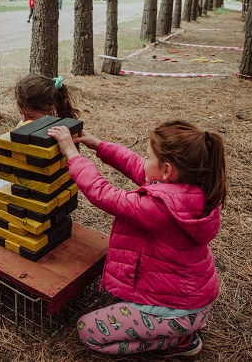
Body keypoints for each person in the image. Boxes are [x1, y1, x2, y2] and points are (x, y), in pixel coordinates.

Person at [47, 120, 226, 358]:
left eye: (148, 156)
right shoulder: (190, 190)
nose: (143, 159)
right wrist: (98, 145)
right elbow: (136, 165)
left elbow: (103, 194)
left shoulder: (160, 208)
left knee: (88, 331)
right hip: (191, 301)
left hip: (176, 310)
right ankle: (182, 325)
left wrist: (72, 154)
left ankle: (180, 340)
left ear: (166, 170)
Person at [14, 74, 80, 123]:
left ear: (49, 109)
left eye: (30, 116)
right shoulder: (22, 124)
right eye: (21, 113)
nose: (24, 120)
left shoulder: (61, 132)